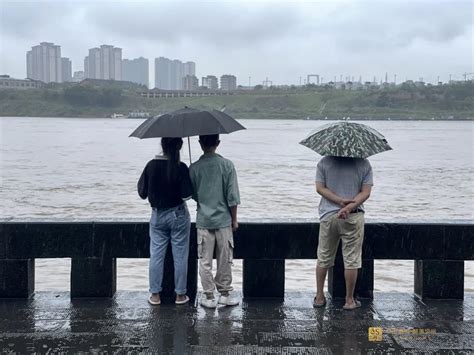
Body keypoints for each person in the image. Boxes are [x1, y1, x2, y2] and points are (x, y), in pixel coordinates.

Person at [138, 137, 193, 306]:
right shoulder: (180, 167)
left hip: (157, 215)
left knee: (156, 255)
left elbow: (142, 193)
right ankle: (180, 295)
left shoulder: (151, 166)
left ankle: (155, 295)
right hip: (178, 215)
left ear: (162, 146)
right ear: (180, 146)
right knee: (180, 256)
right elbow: (187, 195)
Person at [313, 156, 373, 310]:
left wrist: (339, 201)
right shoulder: (364, 163)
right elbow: (365, 192)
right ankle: (349, 300)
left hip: (328, 215)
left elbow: (320, 188)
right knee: (351, 259)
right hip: (353, 216)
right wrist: (348, 208)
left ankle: (319, 297)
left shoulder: (324, 162)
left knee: (324, 256)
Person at [189, 134, 240, 308]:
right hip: (223, 220)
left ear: (200, 143)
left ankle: (208, 296)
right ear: (217, 143)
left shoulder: (194, 168)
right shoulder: (227, 165)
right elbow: (232, 197)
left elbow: (193, 195)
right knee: (225, 258)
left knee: (204, 260)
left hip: (203, 220)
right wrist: (234, 220)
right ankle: (225, 293)